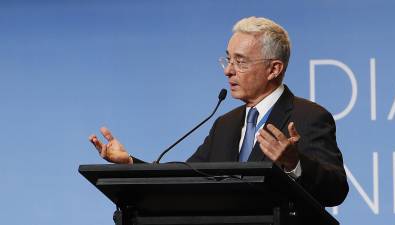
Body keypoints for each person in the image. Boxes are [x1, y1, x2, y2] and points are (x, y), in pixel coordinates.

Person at [89, 16, 348, 207]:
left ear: (274, 69)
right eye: (228, 59)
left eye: (241, 61)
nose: (228, 70)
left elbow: (336, 190)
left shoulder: (308, 116)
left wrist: (295, 163)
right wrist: (131, 164)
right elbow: (185, 178)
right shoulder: (226, 123)